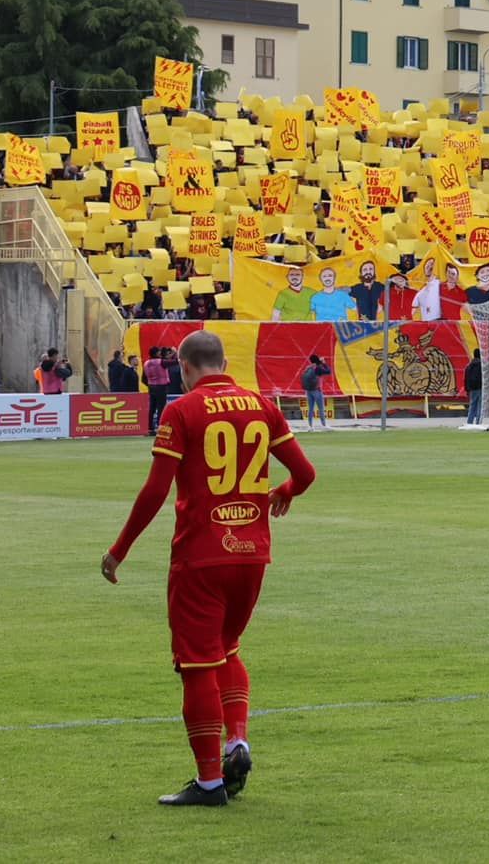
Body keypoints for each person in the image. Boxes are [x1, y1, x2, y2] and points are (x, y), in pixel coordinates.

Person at [100, 330, 318, 807]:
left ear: (184, 367)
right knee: (228, 647)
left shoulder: (181, 411)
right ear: (223, 361)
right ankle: (236, 739)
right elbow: (305, 474)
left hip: (201, 554)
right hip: (252, 554)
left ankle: (209, 782)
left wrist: (120, 550)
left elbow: (156, 491)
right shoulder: (261, 404)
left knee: (197, 665)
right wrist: (282, 494)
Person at [299, 355, 329, 429]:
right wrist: (324, 363)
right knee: (321, 408)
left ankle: (310, 425)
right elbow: (328, 371)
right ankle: (324, 425)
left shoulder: (308, 367)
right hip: (316, 390)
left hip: (308, 390)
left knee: (310, 408)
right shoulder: (317, 368)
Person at [143, 348, 170, 433]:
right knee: (161, 407)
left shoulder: (146, 363)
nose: (160, 353)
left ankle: (150, 428)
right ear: (156, 353)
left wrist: (150, 384)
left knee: (152, 408)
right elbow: (174, 362)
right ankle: (160, 427)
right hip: (161, 387)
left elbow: (143, 378)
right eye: (159, 352)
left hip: (151, 387)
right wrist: (174, 354)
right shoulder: (160, 362)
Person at [464, 350, 484, 426]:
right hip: (480, 387)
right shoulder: (481, 366)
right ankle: (478, 423)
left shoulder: (469, 366)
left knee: (472, 406)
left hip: (472, 388)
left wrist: (467, 389)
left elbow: (466, 378)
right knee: (479, 406)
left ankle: (469, 422)